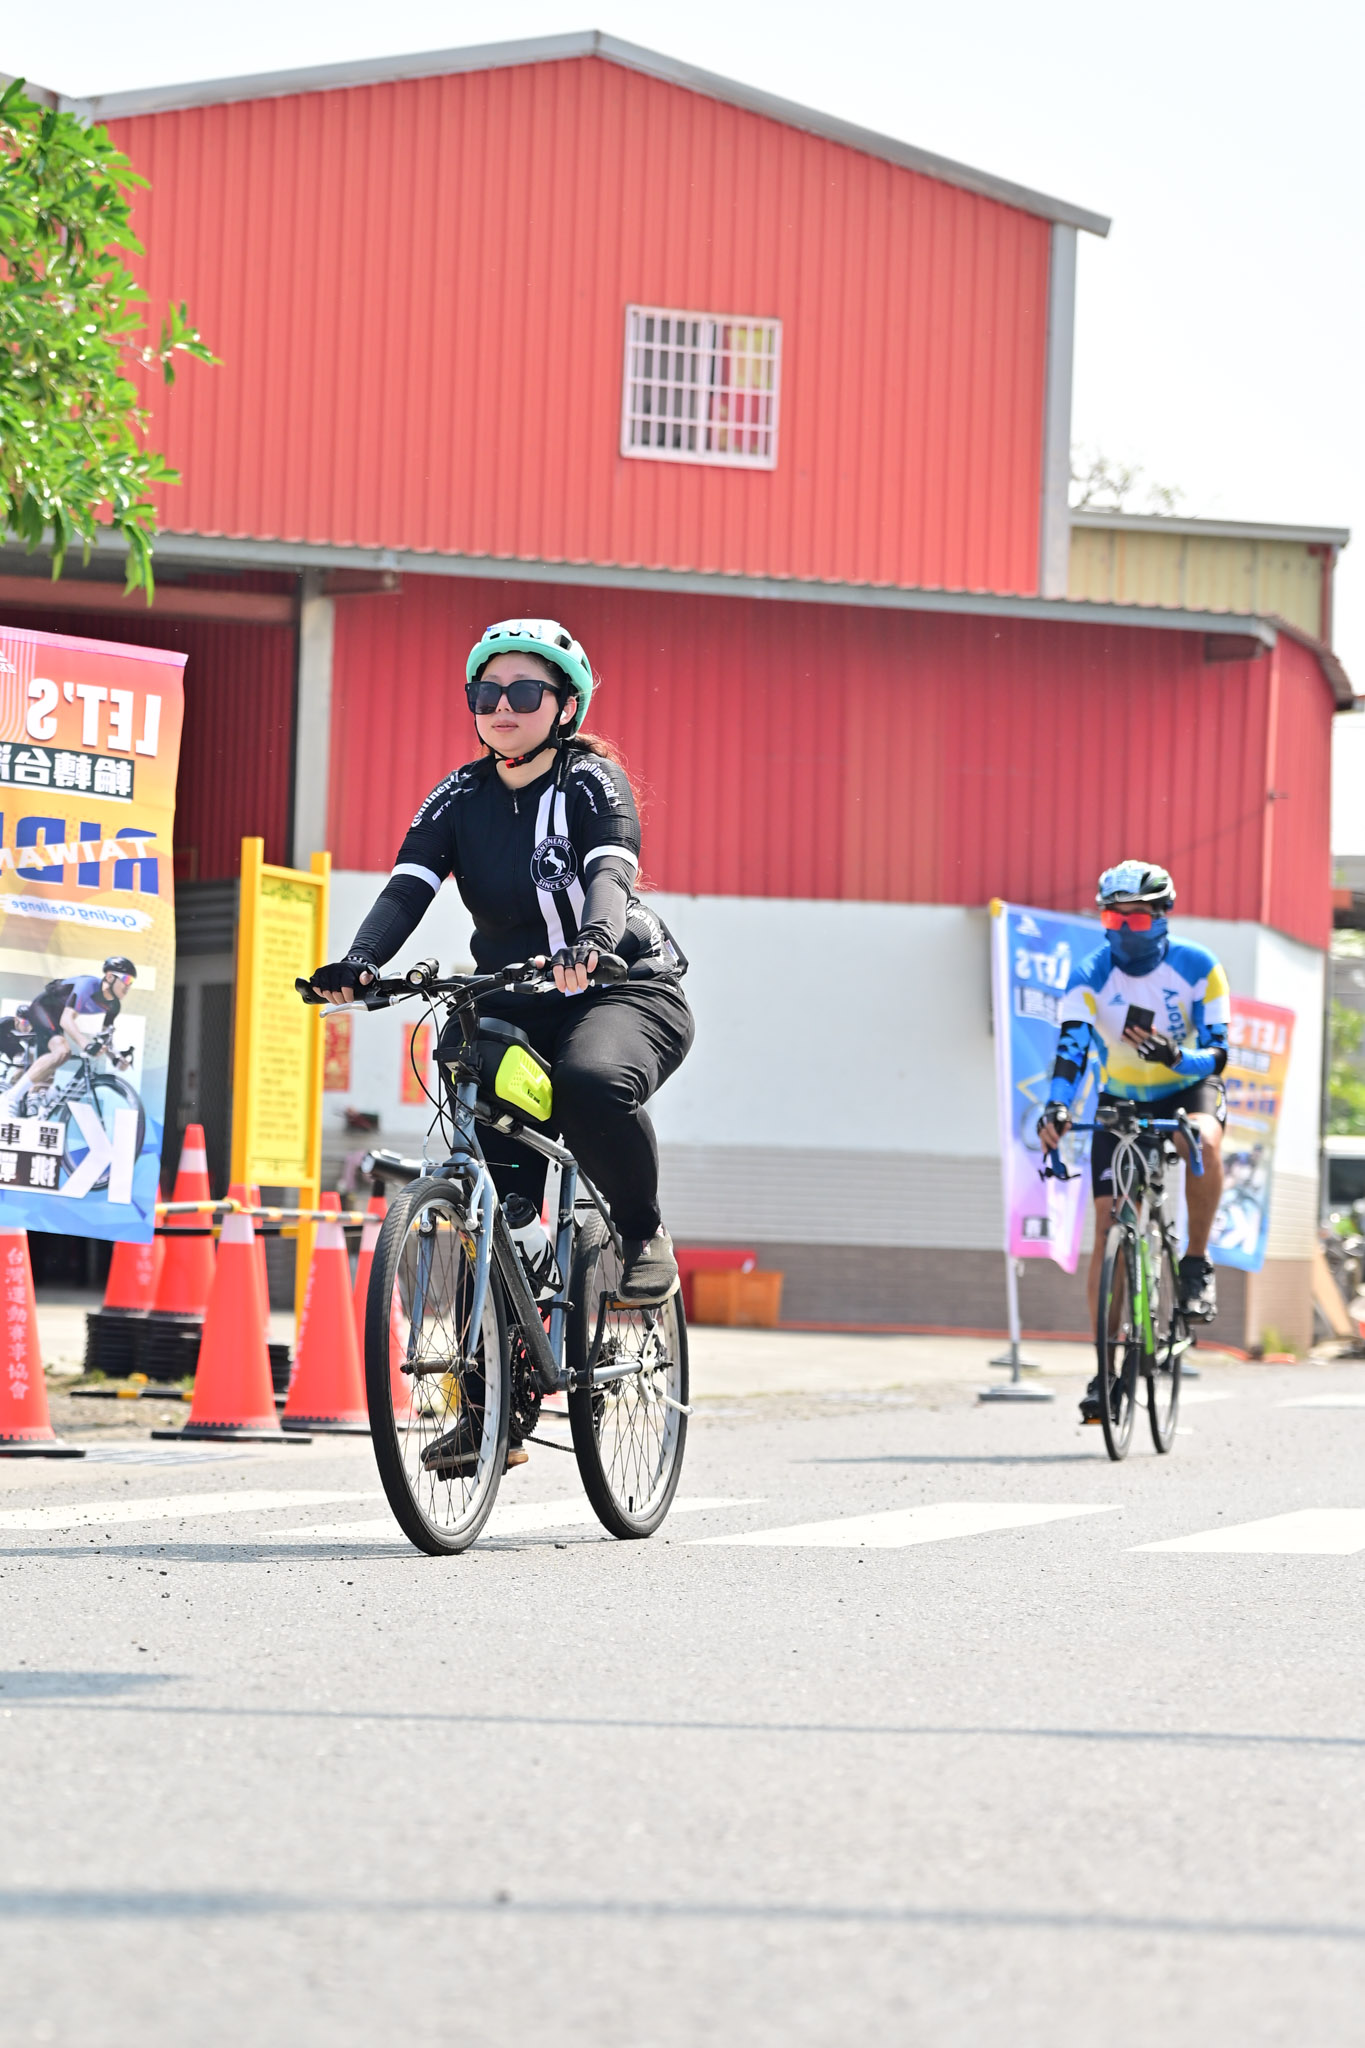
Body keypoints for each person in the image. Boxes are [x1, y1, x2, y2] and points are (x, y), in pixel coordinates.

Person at [308, 617, 694, 1311]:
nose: (502, 707)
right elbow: (407, 889)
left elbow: (610, 872)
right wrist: (360, 961)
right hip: (518, 996)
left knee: (589, 1082)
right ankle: (513, 1266)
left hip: (621, 986)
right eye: (486, 694)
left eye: (524, 692)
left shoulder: (591, 781)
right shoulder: (458, 797)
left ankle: (642, 1231)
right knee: (469, 1075)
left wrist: (594, 942)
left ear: (565, 707)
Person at [1036, 861, 1229, 1424]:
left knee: (1203, 1141)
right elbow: (1071, 1049)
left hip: (1186, 1087)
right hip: (1121, 1098)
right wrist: (1057, 1105)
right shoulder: (1090, 974)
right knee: (1109, 1227)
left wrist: (1177, 1057)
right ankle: (1105, 1371)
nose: (1123, 930)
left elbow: (1218, 1053)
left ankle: (1195, 1264)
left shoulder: (1198, 965)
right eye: (1112, 919)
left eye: (1137, 919)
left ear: (1163, 916)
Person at [0, 957, 137, 1118]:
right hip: (42, 1008)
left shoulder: (114, 1005)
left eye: (132, 982)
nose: (128, 986)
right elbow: (66, 1020)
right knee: (62, 1051)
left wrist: (116, 1058)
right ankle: (11, 1097)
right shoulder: (88, 986)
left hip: (57, 1017)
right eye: (126, 979)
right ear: (109, 977)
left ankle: (38, 1102)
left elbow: (106, 1036)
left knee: (54, 1064)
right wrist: (86, 1045)